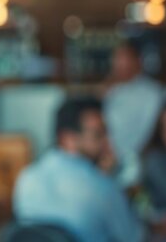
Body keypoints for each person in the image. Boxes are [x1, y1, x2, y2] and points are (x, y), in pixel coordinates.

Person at [13, 97, 152, 242]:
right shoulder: (103, 186)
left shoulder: (28, 176)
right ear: (67, 139)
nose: (108, 143)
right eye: (98, 135)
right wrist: (115, 180)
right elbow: (135, 237)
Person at [101, 42, 164, 186]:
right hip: (110, 161)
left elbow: (151, 129)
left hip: (139, 161)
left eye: (124, 59)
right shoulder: (111, 91)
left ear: (138, 61)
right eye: (116, 60)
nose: (119, 65)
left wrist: (135, 159)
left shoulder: (152, 92)